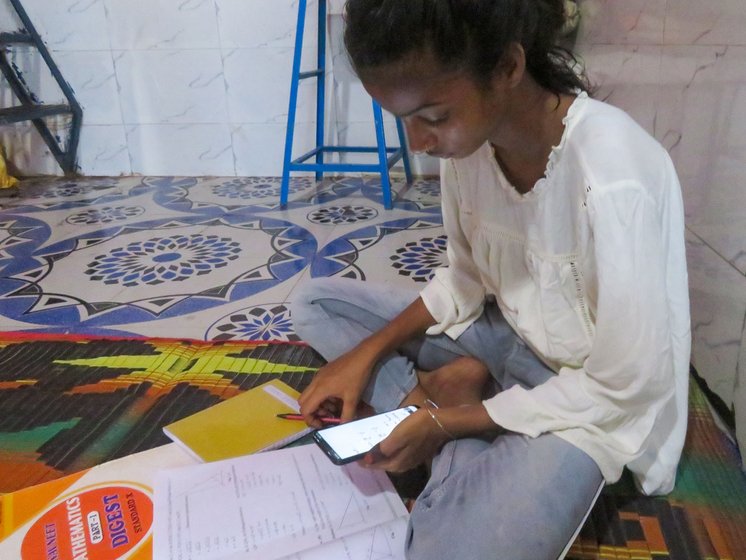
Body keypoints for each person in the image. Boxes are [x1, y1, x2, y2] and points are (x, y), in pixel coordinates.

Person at [291, 1, 691, 558]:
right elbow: (464, 281)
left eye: (432, 117)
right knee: (316, 302)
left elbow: (623, 384)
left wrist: (446, 426)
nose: (418, 143)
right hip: (510, 339)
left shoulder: (614, 176)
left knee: (454, 550)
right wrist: (363, 353)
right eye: (404, 119)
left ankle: (450, 409)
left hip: (592, 405)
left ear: (506, 68)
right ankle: (457, 395)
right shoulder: (472, 146)